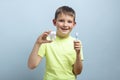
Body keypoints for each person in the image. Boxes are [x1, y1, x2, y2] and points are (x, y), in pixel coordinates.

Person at [28, 6, 84, 80]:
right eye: (61, 20)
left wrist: (78, 53)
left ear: (74, 24)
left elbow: (77, 72)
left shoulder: (76, 43)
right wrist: (37, 43)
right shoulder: (47, 40)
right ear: (54, 22)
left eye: (69, 21)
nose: (65, 25)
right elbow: (32, 65)